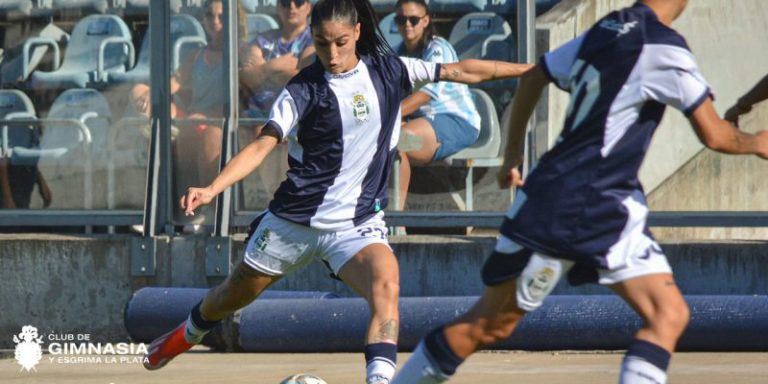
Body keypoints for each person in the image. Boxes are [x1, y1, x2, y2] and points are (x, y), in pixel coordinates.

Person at [141, 0, 531, 383]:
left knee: (387, 286)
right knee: (231, 295)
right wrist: (212, 189)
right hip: (293, 223)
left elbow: (463, 70)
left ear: (358, 32)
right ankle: (183, 336)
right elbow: (263, 144)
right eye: (322, 43)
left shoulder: (391, 70)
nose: (332, 53)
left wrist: (533, 70)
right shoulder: (303, 90)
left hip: (356, 226)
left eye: (341, 42)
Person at [391, 1, 768, 383]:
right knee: (490, 324)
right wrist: (758, 142)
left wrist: (512, 157)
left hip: (609, 201)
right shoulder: (664, 47)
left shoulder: (609, 27)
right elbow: (717, 135)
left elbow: (535, 76)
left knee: (668, 314)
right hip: (576, 201)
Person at [129, 0, 247, 230]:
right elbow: (175, 82)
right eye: (210, 16)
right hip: (193, 119)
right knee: (146, 114)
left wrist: (205, 117)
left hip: (220, 122)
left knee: (207, 134)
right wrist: (146, 94)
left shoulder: (241, 54)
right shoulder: (197, 55)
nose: (215, 22)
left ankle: (204, 211)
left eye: (222, 17)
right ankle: (158, 212)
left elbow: (240, 101)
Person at [391, 0, 481, 211]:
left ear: (425, 20)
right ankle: (388, 220)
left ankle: (395, 220)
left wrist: (390, 118)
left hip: (457, 122)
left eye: (413, 19)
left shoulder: (437, 48)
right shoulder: (396, 53)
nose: (407, 25)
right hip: (421, 123)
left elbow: (426, 95)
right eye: (400, 19)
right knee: (386, 143)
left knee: (398, 141)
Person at [241, 0, 315, 118]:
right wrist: (275, 66)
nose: (291, 7)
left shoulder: (315, 40)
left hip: (292, 115)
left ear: (308, 7)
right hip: (254, 113)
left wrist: (261, 72)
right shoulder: (262, 38)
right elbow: (245, 78)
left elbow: (303, 80)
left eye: (298, 2)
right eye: (285, 2)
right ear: (278, 8)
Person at [0, 126, 52, 209]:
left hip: (27, 176)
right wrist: (8, 198)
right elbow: (2, 159)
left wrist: (41, 181)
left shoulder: (30, 121)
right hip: (11, 176)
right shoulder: (5, 119)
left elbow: (33, 152)